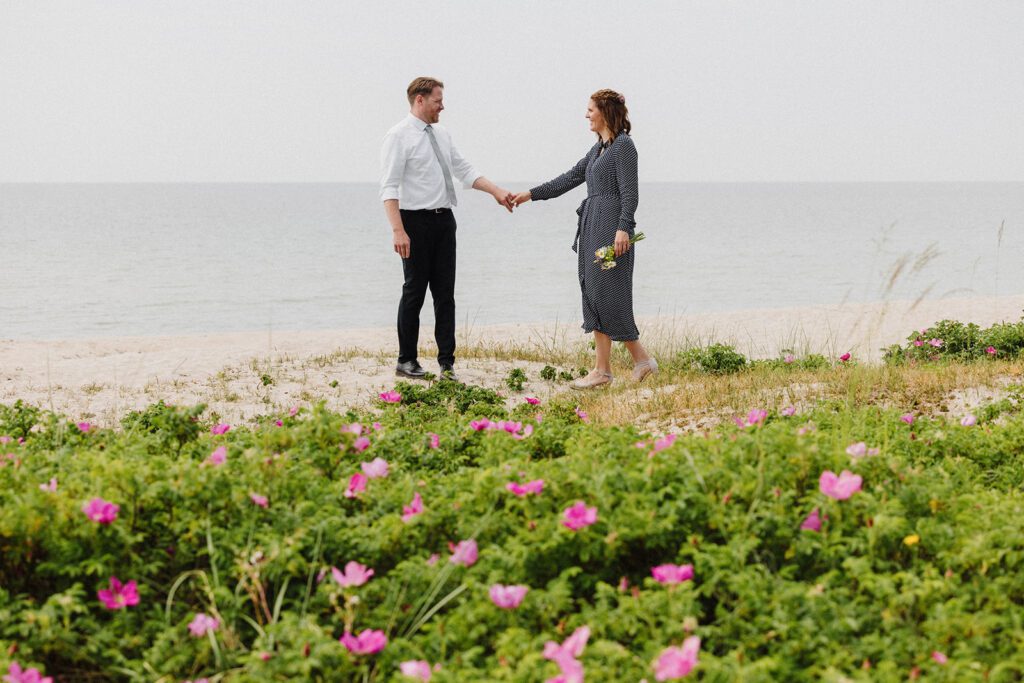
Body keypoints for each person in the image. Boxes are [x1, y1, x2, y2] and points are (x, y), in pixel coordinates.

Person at [512, 89, 657, 388]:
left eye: (591, 109)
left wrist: (624, 228)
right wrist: (530, 194)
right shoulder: (598, 150)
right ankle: (604, 369)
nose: (586, 115)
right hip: (592, 223)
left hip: (612, 226)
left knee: (609, 294)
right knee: (592, 292)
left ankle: (638, 360)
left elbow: (630, 192)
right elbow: (569, 178)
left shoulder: (624, 147)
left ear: (605, 111)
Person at [380, 77, 514, 381]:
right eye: (438, 100)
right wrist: (397, 230)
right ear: (420, 100)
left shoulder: (441, 134)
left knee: (445, 294)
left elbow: (463, 169)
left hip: (444, 221)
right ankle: (406, 360)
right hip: (413, 222)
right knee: (414, 291)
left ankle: (446, 363)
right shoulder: (398, 136)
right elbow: (388, 187)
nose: (443, 105)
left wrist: (496, 191)